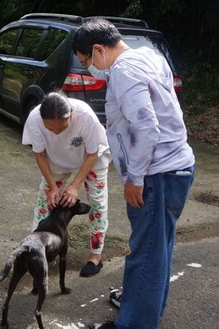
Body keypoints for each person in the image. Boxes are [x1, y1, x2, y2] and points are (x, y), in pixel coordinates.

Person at [72, 18, 195, 329]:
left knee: (145, 254)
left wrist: (135, 179)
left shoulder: (124, 71)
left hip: (157, 174)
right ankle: (146, 309)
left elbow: (146, 127)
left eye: (87, 60)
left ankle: (135, 323)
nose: (89, 68)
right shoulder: (150, 57)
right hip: (178, 166)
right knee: (159, 247)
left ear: (99, 49)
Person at [22, 90, 111, 277]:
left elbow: (93, 153)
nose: (55, 132)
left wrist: (74, 186)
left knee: (96, 205)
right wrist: (53, 187)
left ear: (71, 113)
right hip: (57, 161)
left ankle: (96, 255)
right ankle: (38, 250)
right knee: (44, 203)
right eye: (50, 129)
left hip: (91, 160)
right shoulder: (34, 119)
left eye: (61, 128)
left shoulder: (85, 116)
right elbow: (39, 154)